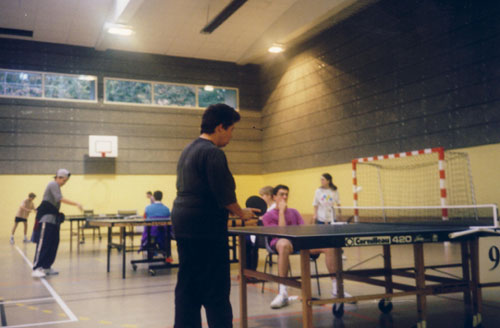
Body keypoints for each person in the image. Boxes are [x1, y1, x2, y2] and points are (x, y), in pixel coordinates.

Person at [172, 103, 257, 328]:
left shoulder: (187, 150)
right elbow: (225, 195)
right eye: (231, 130)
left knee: (188, 286)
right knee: (216, 289)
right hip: (206, 230)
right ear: (220, 127)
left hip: (182, 225)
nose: (231, 135)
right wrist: (242, 213)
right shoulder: (213, 153)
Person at [262, 184, 351, 309]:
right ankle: (283, 293)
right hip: (279, 243)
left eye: (286, 194)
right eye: (281, 194)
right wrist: (281, 211)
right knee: (284, 243)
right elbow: (281, 233)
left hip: (298, 243)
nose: (285, 197)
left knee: (329, 246)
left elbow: (304, 231)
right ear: (274, 197)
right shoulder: (268, 216)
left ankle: (337, 289)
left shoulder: (294, 212)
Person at [32, 169, 83, 278]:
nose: (64, 183)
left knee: (53, 243)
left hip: (54, 221)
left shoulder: (57, 187)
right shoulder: (53, 184)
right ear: (58, 177)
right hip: (46, 220)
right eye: (64, 181)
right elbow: (59, 199)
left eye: (66, 181)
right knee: (44, 244)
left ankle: (46, 267)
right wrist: (76, 204)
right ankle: (37, 268)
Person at [141, 190, 172, 262]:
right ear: (162, 197)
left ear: (153, 197)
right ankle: (167, 257)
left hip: (151, 234)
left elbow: (144, 219)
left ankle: (151, 251)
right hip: (163, 234)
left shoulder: (148, 208)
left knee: (150, 235)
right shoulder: (167, 209)